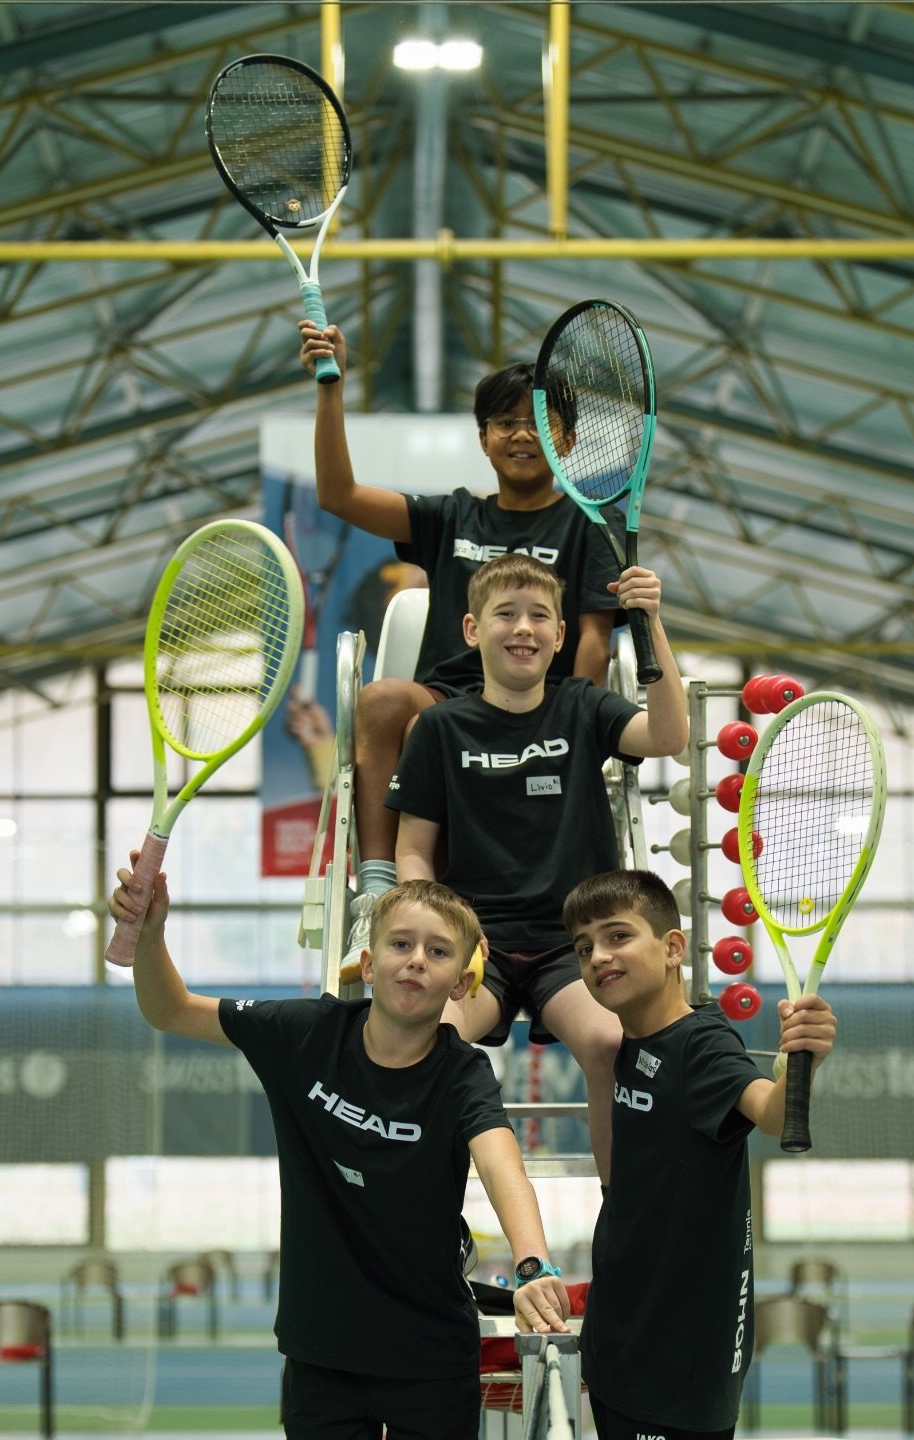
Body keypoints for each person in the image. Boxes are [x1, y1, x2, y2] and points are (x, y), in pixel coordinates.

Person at [107, 862, 571, 1440]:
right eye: (401, 944)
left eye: (439, 951)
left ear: (461, 981)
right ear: (369, 964)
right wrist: (150, 932)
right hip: (321, 1352)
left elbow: (503, 1166)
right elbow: (169, 1009)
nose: (417, 960)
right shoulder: (302, 1034)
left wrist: (533, 1263)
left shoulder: (463, 1073)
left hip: (430, 1356)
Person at [299, 320, 621, 975]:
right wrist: (329, 389)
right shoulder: (451, 517)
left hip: (543, 704)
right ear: (483, 439)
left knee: (432, 728)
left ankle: (458, 912)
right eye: (504, 423)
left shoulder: (590, 525)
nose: (522, 434)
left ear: (569, 437)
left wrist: (572, 716)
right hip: (452, 695)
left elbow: (593, 638)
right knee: (391, 702)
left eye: (539, 421)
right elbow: (337, 495)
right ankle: (384, 893)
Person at [386, 552, 688, 1182]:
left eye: (540, 617)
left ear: (559, 637)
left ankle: (621, 1213)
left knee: (609, 1043)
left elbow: (667, 737)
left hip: (570, 946)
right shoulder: (439, 729)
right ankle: (429, 1221)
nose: (523, 628)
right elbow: (414, 847)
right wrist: (440, 931)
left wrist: (650, 620)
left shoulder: (584, 706)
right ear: (473, 631)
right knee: (430, 1042)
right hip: (478, 945)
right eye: (506, 614)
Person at [562, 868, 839, 1440]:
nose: (597, 957)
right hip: (620, 1348)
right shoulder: (630, 1042)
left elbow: (771, 1112)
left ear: (673, 948)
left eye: (618, 936)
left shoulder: (702, 1045)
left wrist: (806, 1056)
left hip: (680, 1371)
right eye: (584, 947)